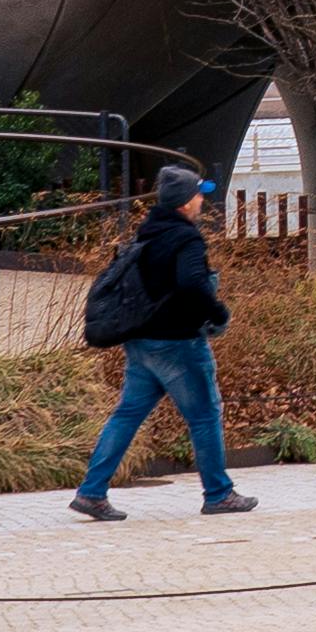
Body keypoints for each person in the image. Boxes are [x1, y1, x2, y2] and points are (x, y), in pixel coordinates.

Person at [70, 164, 258, 522]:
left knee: (126, 416)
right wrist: (217, 313)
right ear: (185, 203)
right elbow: (191, 283)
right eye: (198, 194)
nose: (202, 199)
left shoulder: (149, 234)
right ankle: (218, 493)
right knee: (204, 415)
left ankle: (91, 493)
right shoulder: (185, 238)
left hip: (141, 342)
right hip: (179, 343)